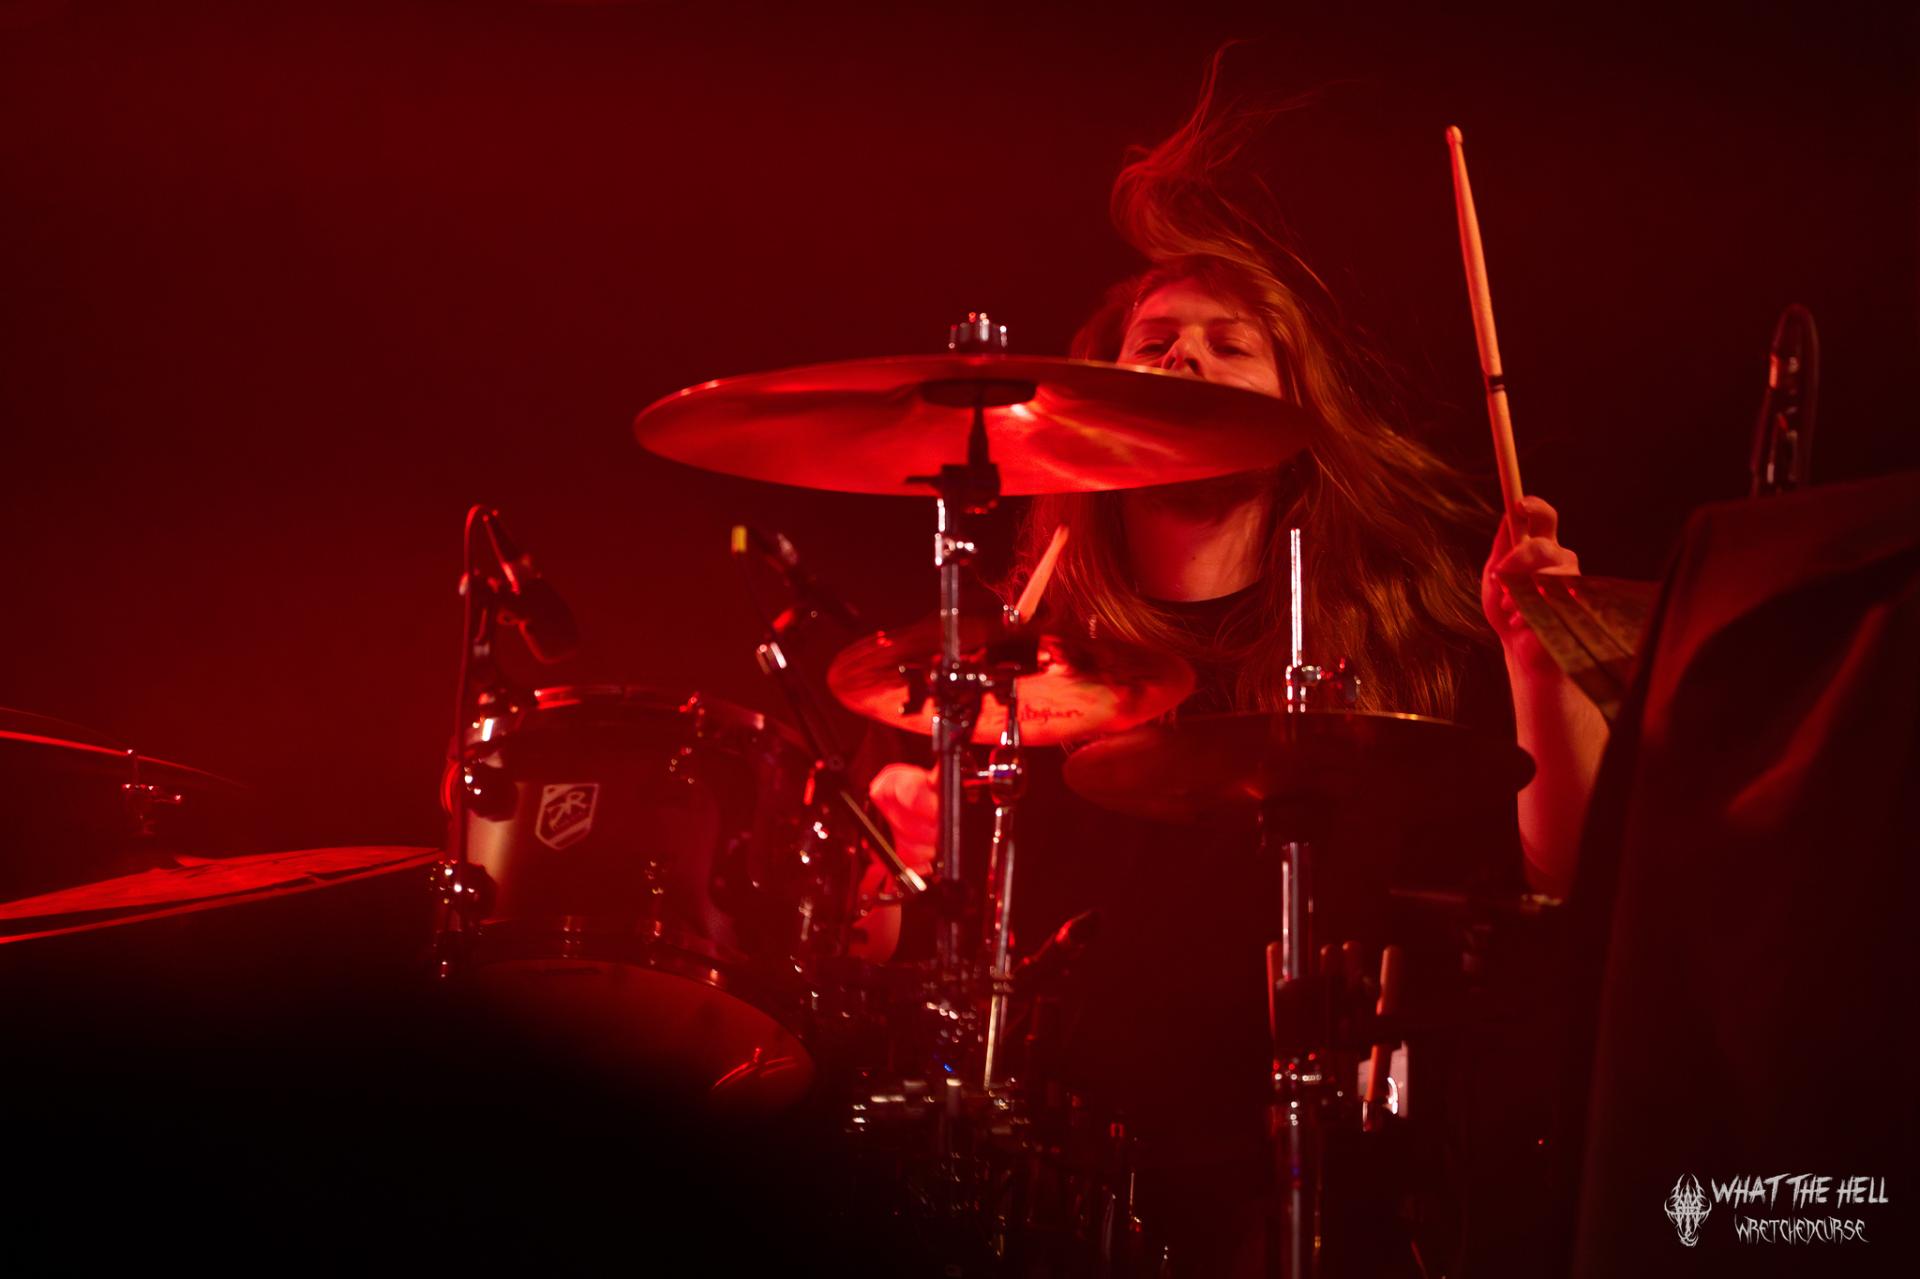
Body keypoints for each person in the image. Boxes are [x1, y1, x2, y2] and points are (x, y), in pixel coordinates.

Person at [856, 55, 1609, 1274]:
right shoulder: (992, 668)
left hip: (1341, 1194)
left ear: (1295, 418)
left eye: (1229, 345)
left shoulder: (1403, 638)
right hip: (1057, 1198)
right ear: (1094, 407)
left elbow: (1569, 880)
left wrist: (1540, 660)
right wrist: (890, 867)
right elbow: (887, 962)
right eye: (1155, 343)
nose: (1187, 362)